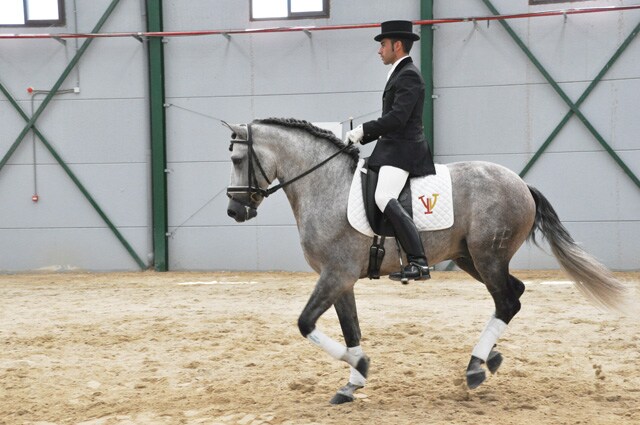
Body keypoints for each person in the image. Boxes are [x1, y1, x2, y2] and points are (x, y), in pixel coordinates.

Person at [345, 20, 435, 281]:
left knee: (383, 197)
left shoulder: (408, 74)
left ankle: (419, 262)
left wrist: (364, 130)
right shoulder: (398, 72)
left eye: (382, 44)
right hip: (392, 147)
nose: (379, 50)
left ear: (397, 45)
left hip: (405, 149)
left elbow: (397, 119)